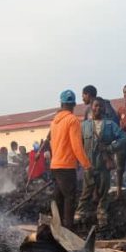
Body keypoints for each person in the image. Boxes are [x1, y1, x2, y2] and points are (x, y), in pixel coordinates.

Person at [76, 98, 126, 228]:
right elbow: (78, 144)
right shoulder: (84, 126)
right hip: (89, 165)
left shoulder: (110, 125)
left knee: (104, 191)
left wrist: (110, 148)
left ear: (104, 109)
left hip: (104, 165)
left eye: (101, 106)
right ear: (91, 108)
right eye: (96, 106)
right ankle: (80, 214)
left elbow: (123, 138)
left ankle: (102, 213)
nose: (98, 108)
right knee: (86, 192)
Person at [47, 90, 91, 229]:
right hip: (66, 166)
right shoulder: (72, 120)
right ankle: (68, 229)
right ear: (74, 104)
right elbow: (76, 146)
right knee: (69, 198)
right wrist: (86, 164)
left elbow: (52, 144)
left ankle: (57, 226)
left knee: (59, 197)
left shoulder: (54, 122)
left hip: (55, 165)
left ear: (61, 103)